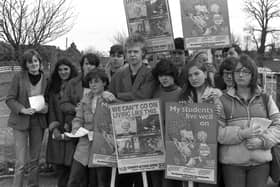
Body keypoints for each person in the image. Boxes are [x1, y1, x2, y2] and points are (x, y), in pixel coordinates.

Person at [216, 54, 280, 187]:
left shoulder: (265, 98)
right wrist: (241, 134)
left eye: (245, 71)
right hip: (232, 165)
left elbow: (278, 125)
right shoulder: (222, 100)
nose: (240, 75)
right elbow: (217, 132)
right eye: (238, 71)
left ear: (253, 74)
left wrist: (262, 141)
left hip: (260, 164)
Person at [108, 34, 156, 187]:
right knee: (124, 173)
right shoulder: (119, 74)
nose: (132, 55)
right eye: (129, 52)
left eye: (136, 51)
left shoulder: (150, 73)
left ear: (143, 53)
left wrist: (118, 98)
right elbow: (110, 95)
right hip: (123, 127)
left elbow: (143, 96)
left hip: (144, 126)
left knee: (143, 176)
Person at [6, 49, 49, 187]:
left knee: (34, 160)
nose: (33, 64)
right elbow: (10, 99)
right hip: (20, 122)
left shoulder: (46, 79)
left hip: (38, 122)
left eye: (35, 61)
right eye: (30, 62)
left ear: (39, 62)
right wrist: (22, 109)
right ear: (25, 64)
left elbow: (49, 100)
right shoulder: (18, 77)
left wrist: (45, 108)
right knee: (20, 163)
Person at [179, 58, 222, 187]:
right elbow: (179, 123)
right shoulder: (184, 96)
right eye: (190, 75)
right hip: (189, 146)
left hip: (209, 149)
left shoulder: (216, 94)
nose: (193, 78)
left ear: (205, 73)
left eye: (197, 73)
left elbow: (223, 123)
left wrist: (218, 114)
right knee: (188, 183)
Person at [68, 69, 113, 187]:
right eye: (90, 82)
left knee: (101, 180)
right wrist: (75, 130)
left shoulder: (110, 99)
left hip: (103, 144)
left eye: (96, 82)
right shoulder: (85, 99)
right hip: (84, 142)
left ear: (104, 83)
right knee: (75, 178)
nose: (92, 85)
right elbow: (78, 119)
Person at [60, 53, 100, 186]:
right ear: (82, 65)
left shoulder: (104, 91)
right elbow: (64, 104)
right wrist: (76, 109)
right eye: (86, 63)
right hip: (78, 129)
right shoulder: (73, 83)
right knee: (76, 169)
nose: (89, 67)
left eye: (92, 64)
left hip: (97, 136)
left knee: (94, 173)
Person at [46, 58, 78, 187]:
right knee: (60, 168)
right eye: (60, 69)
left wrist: (70, 124)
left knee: (72, 167)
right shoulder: (53, 87)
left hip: (73, 128)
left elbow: (78, 108)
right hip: (57, 128)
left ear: (71, 70)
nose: (63, 72)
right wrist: (54, 127)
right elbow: (51, 109)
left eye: (66, 69)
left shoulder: (76, 86)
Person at [150, 58, 182, 187]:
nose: (164, 78)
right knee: (156, 182)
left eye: (168, 75)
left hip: (173, 146)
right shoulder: (154, 92)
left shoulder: (182, 93)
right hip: (155, 146)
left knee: (168, 183)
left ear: (173, 75)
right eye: (161, 75)